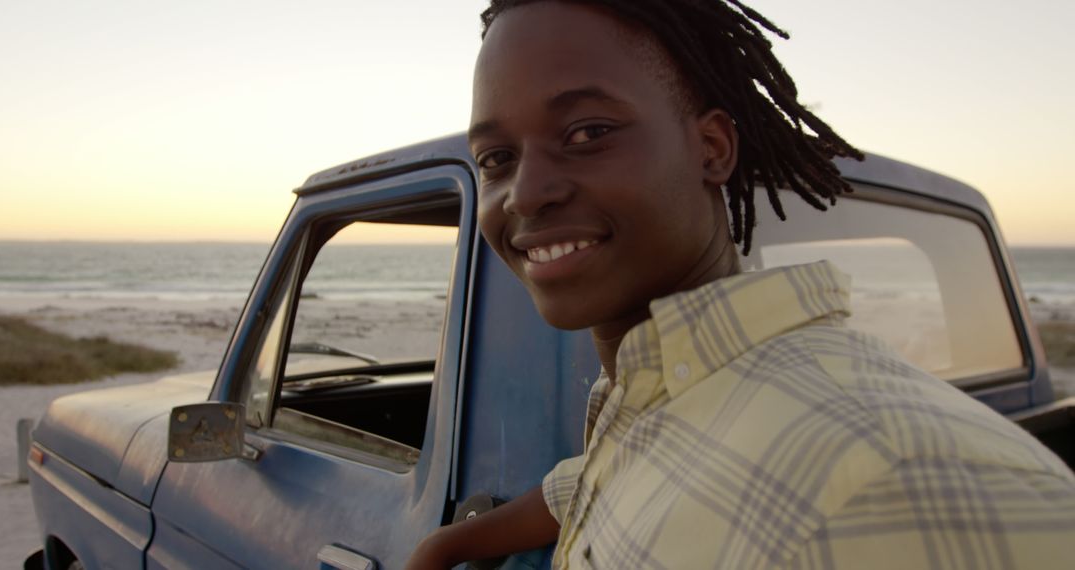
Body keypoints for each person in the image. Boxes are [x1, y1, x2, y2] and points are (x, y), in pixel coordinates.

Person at [408, 0, 1075, 568]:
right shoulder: (662, 391)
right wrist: (448, 545)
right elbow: (625, 468)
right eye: (496, 159)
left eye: (588, 132)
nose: (525, 193)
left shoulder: (901, 477)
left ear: (712, 149)